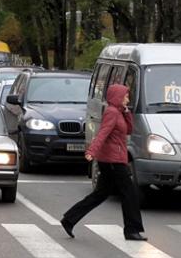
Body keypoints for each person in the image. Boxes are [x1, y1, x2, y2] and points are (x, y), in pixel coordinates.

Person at [61, 84, 147, 241]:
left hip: (112, 160)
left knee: (100, 194)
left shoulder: (119, 112)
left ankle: (69, 219)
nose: (128, 99)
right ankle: (132, 230)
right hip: (113, 161)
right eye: (125, 96)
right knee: (130, 194)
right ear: (117, 97)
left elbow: (128, 130)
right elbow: (102, 133)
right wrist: (91, 151)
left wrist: (127, 112)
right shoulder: (112, 113)